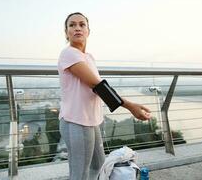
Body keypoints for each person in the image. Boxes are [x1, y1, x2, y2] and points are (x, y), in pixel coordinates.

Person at [58, 12, 151, 180]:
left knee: (98, 166)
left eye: (82, 24)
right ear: (66, 32)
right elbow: (97, 85)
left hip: (91, 120)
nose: (77, 28)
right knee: (79, 173)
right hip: (76, 121)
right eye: (72, 25)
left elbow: (99, 87)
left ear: (88, 31)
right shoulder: (69, 53)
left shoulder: (88, 57)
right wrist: (131, 106)